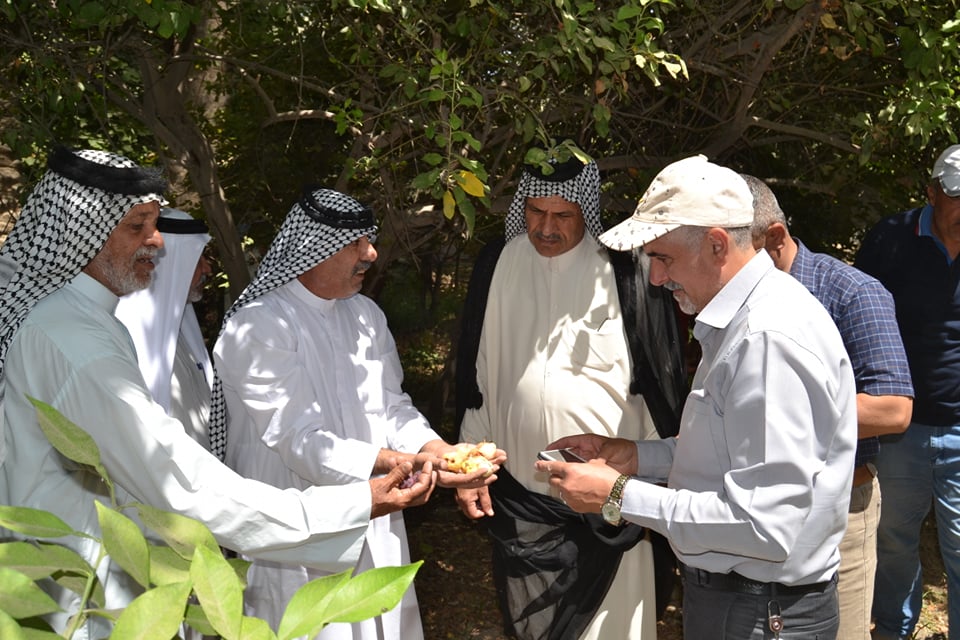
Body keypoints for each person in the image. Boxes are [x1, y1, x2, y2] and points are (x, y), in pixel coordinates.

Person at [0, 147, 434, 638]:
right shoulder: (73, 340)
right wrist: (350, 505)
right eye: (137, 226)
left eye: (154, 224)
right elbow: (177, 477)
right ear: (81, 232)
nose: (157, 242)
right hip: (81, 593)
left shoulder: (79, 319)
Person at [538, 154, 858, 639]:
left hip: (761, 613)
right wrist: (634, 457)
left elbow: (761, 526)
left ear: (715, 244)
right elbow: (730, 452)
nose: (655, 279)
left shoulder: (765, 337)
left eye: (663, 258)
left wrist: (617, 496)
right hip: (746, 605)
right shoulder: (743, 319)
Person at [211, 186, 504, 640]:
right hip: (299, 530)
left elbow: (392, 408)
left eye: (368, 240)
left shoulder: (365, 315)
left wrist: (441, 452)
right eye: (355, 244)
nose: (371, 253)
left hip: (377, 517)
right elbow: (299, 441)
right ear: (313, 249)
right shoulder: (258, 325)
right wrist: (407, 464)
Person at [454, 145, 687, 640]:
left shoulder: (626, 270)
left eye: (563, 214)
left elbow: (656, 389)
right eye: (535, 212)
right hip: (522, 504)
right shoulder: (498, 264)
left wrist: (655, 482)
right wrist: (470, 463)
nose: (546, 227)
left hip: (609, 501)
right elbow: (478, 379)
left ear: (587, 209)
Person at [746, 174, 914, 640]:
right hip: (751, 512)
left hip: (839, 510)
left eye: (738, 247)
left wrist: (779, 413)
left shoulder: (852, 293)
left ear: (775, 238)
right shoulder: (733, 302)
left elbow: (893, 409)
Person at [854, 144, 960, 640]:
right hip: (902, 429)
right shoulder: (891, 240)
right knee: (893, 542)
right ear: (932, 194)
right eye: (958, 197)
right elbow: (856, 322)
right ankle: (893, 633)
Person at [116, 207, 215, 449]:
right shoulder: (128, 337)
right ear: (171, 264)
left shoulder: (182, 329)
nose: (207, 269)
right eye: (197, 260)